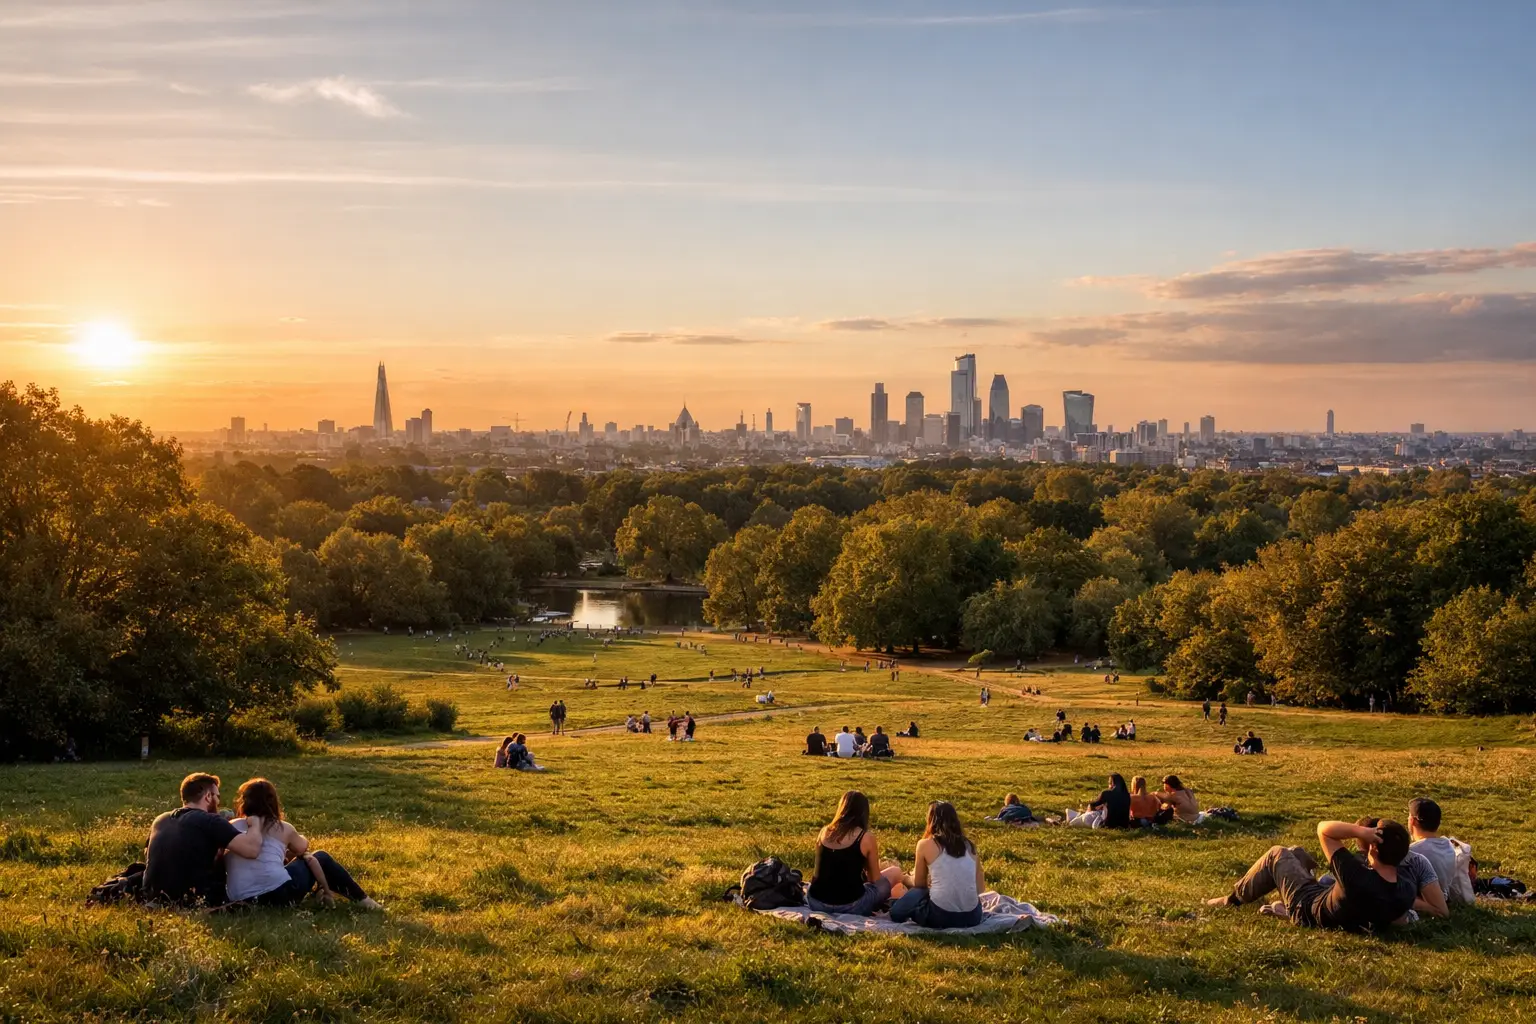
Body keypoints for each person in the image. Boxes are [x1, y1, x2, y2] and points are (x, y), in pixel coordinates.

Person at [1207, 819, 1416, 933]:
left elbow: (1324, 829)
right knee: (1296, 852)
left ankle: (1232, 900)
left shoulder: (1356, 877)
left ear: (1373, 848)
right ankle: (1270, 893)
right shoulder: (1406, 887)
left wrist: (1360, 831)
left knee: (1277, 853)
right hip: (1334, 905)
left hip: (1306, 907)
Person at [225, 778, 382, 909]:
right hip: (280, 894)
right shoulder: (283, 828)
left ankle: (324, 892)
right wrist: (301, 837)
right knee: (320, 856)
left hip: (243, 900)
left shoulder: (232, 825)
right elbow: (301, 847)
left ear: (244, 802)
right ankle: (364, 901)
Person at [142, 773, 266, 906]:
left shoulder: (160, 819)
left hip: (151, 896)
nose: (218, 802)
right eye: (217, 796)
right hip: (192, 900)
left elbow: (147, 854)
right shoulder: (211, 821)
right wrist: (255, 822)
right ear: (208, 797)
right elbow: (252, 850)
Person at [806, 791, 904, 916]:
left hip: (816, 902)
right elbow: (874, 879)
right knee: (895, 872)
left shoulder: (824, 831)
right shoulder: (865, 837)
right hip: (852, 905)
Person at [889, 802, 985, 929]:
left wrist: (906, 878)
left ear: (931, 820)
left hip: (941, 917)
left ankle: (894, 904)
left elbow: (919, 885)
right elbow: (980, 888)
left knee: (897, 911)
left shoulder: (925, 844)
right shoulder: (970, 846)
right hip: (973, 917)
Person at [1408, 797, 1470, 907]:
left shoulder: (1412, 852)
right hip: (1444, 900)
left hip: (1424, 903)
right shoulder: (1449, 846)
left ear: (1412, 821)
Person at [1066, 774, 1131, 829]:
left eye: (1109, 783)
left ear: (1112, 783)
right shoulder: (1127, 796)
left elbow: (1092, 805)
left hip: (1108, 825)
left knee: (1085, 817)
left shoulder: (1106, 793)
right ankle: (1072, 818)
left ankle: (1070, 819)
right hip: (1124, 826)